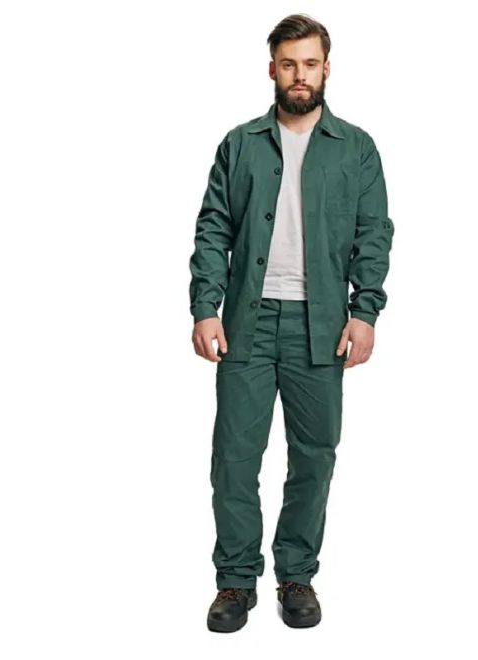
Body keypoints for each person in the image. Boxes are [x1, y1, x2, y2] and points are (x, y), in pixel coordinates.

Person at [188, 13, 394, 632]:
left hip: (321, 325)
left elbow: (373, 234)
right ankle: (235, 580)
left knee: (314, 458)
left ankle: (296, 573)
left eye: (309, 63)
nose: (299, 75)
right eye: (288, 64)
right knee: (233, 459)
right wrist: (205, 306)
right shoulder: (240, 143)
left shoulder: (356, 148)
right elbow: (214, 228)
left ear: (326, 68)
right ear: (272, 69)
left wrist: (365, 311)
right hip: (246, 323)